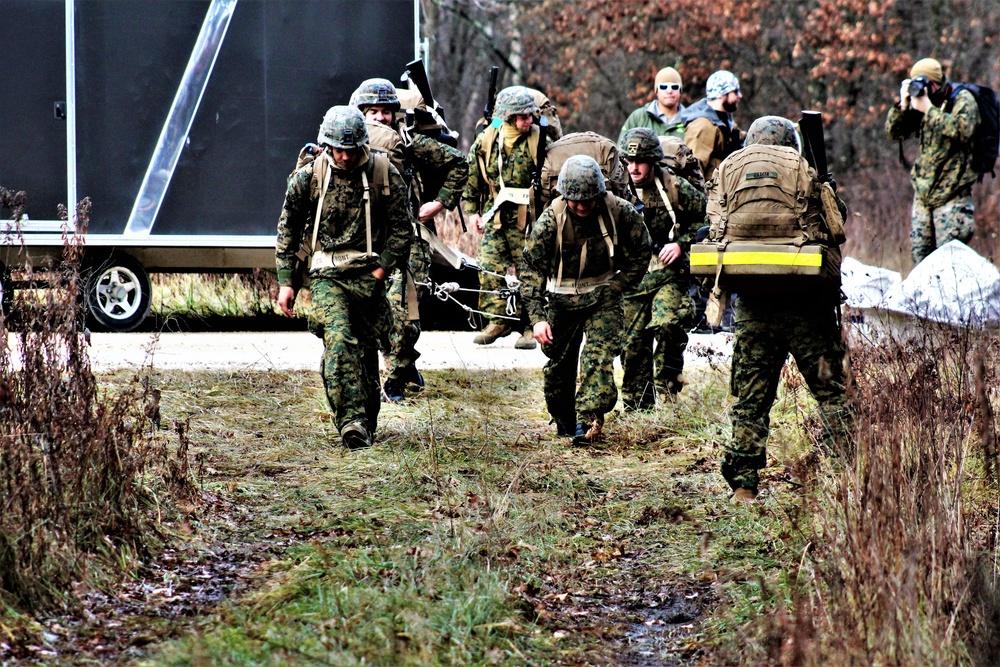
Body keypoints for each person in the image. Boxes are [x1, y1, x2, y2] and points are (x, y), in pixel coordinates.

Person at [707, 116, 851, 502]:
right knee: (832, 392)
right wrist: (828, 189)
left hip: (754, 302)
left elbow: (714, 226)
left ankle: (744, 487)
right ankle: (852, 474)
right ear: (791, 143)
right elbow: (838, 227)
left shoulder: (730, 170)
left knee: (751, 398)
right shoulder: (804, 170)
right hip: (806, 302)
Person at [276, 106, 411, 450]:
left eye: (351, 150)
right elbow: (288, 230)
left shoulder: (383, 171)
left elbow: (401, 230)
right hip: (326, 275)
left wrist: (382, 271)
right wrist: (287, 282)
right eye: (338, 149)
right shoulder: (310, 176)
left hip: (368, 273)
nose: (345, 157)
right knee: (339, 340)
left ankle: (366, 420)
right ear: (326, 145)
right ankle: (350, 421)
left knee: (365, 348)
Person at [349, 78, 469, 402]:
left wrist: (439, 203)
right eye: (371, 112)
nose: (379, 118)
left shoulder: (409, 142)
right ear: (360, 114)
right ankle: (400, 366)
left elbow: (460, 163)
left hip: (406, 239)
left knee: (405, 316)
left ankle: (396, 377)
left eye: (385, 112)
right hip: (362, 242)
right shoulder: (346, 146)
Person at [521, 155, 651, 445]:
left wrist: (618, 285)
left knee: (598, 357)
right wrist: (538, 318)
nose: (581, 206)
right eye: (574, 201)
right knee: (558, 365)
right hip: (560, 297)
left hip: (603, 294)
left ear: (600, 194)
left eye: (588, 200)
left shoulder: (620, 211)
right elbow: (530, 268)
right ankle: (565, 419)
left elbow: (643, 251)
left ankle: (588, 420)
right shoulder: (550, 220)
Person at [618, 128, 707, 409]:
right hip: (631, 278)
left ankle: (668, 393)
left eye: (640, 161)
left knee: (668, 325)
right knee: (632, 343)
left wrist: (681, 244)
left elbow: (707, 219)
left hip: (669, 275)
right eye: (629, 161)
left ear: (653, 161)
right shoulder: (616, 191)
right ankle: (637, 405)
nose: (634, 167)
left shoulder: (675, 187)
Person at [462, 86, 550, 349]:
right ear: (508, 117)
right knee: (488, 266)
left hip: (530, 218)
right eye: (522, 117)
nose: (528, 121)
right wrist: (472, 213)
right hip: (497, 216)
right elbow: (472, 178)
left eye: (530, 116)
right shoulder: (489, 139)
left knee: (530, 272)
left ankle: (529, 325)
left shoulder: (540, 139)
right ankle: (497, 320)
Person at [885, 57, 979, 265]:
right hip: (924, 194)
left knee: (950, 264)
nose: (924, 88)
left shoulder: (961, 100)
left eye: (927, 83)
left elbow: (962, 131)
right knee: (921, 262)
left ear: (937, 82)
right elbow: (893, 133)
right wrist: (903, 105)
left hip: (952, 194)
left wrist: (929, 110)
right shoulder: (917, 103)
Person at [669, 69, 744, 181]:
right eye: (735, 91)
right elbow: (693, 170)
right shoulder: (703, 126)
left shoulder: (723, 119)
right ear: (722, 94)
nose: (740, 96)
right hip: (712, 193)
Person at [618, 67, 686, 144]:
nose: (669, 91)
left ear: (680, 91)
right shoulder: (638, 118)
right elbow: (621, 149)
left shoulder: (689, 121)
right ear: (656, 90)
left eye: (674, 87)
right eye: (663, 87)